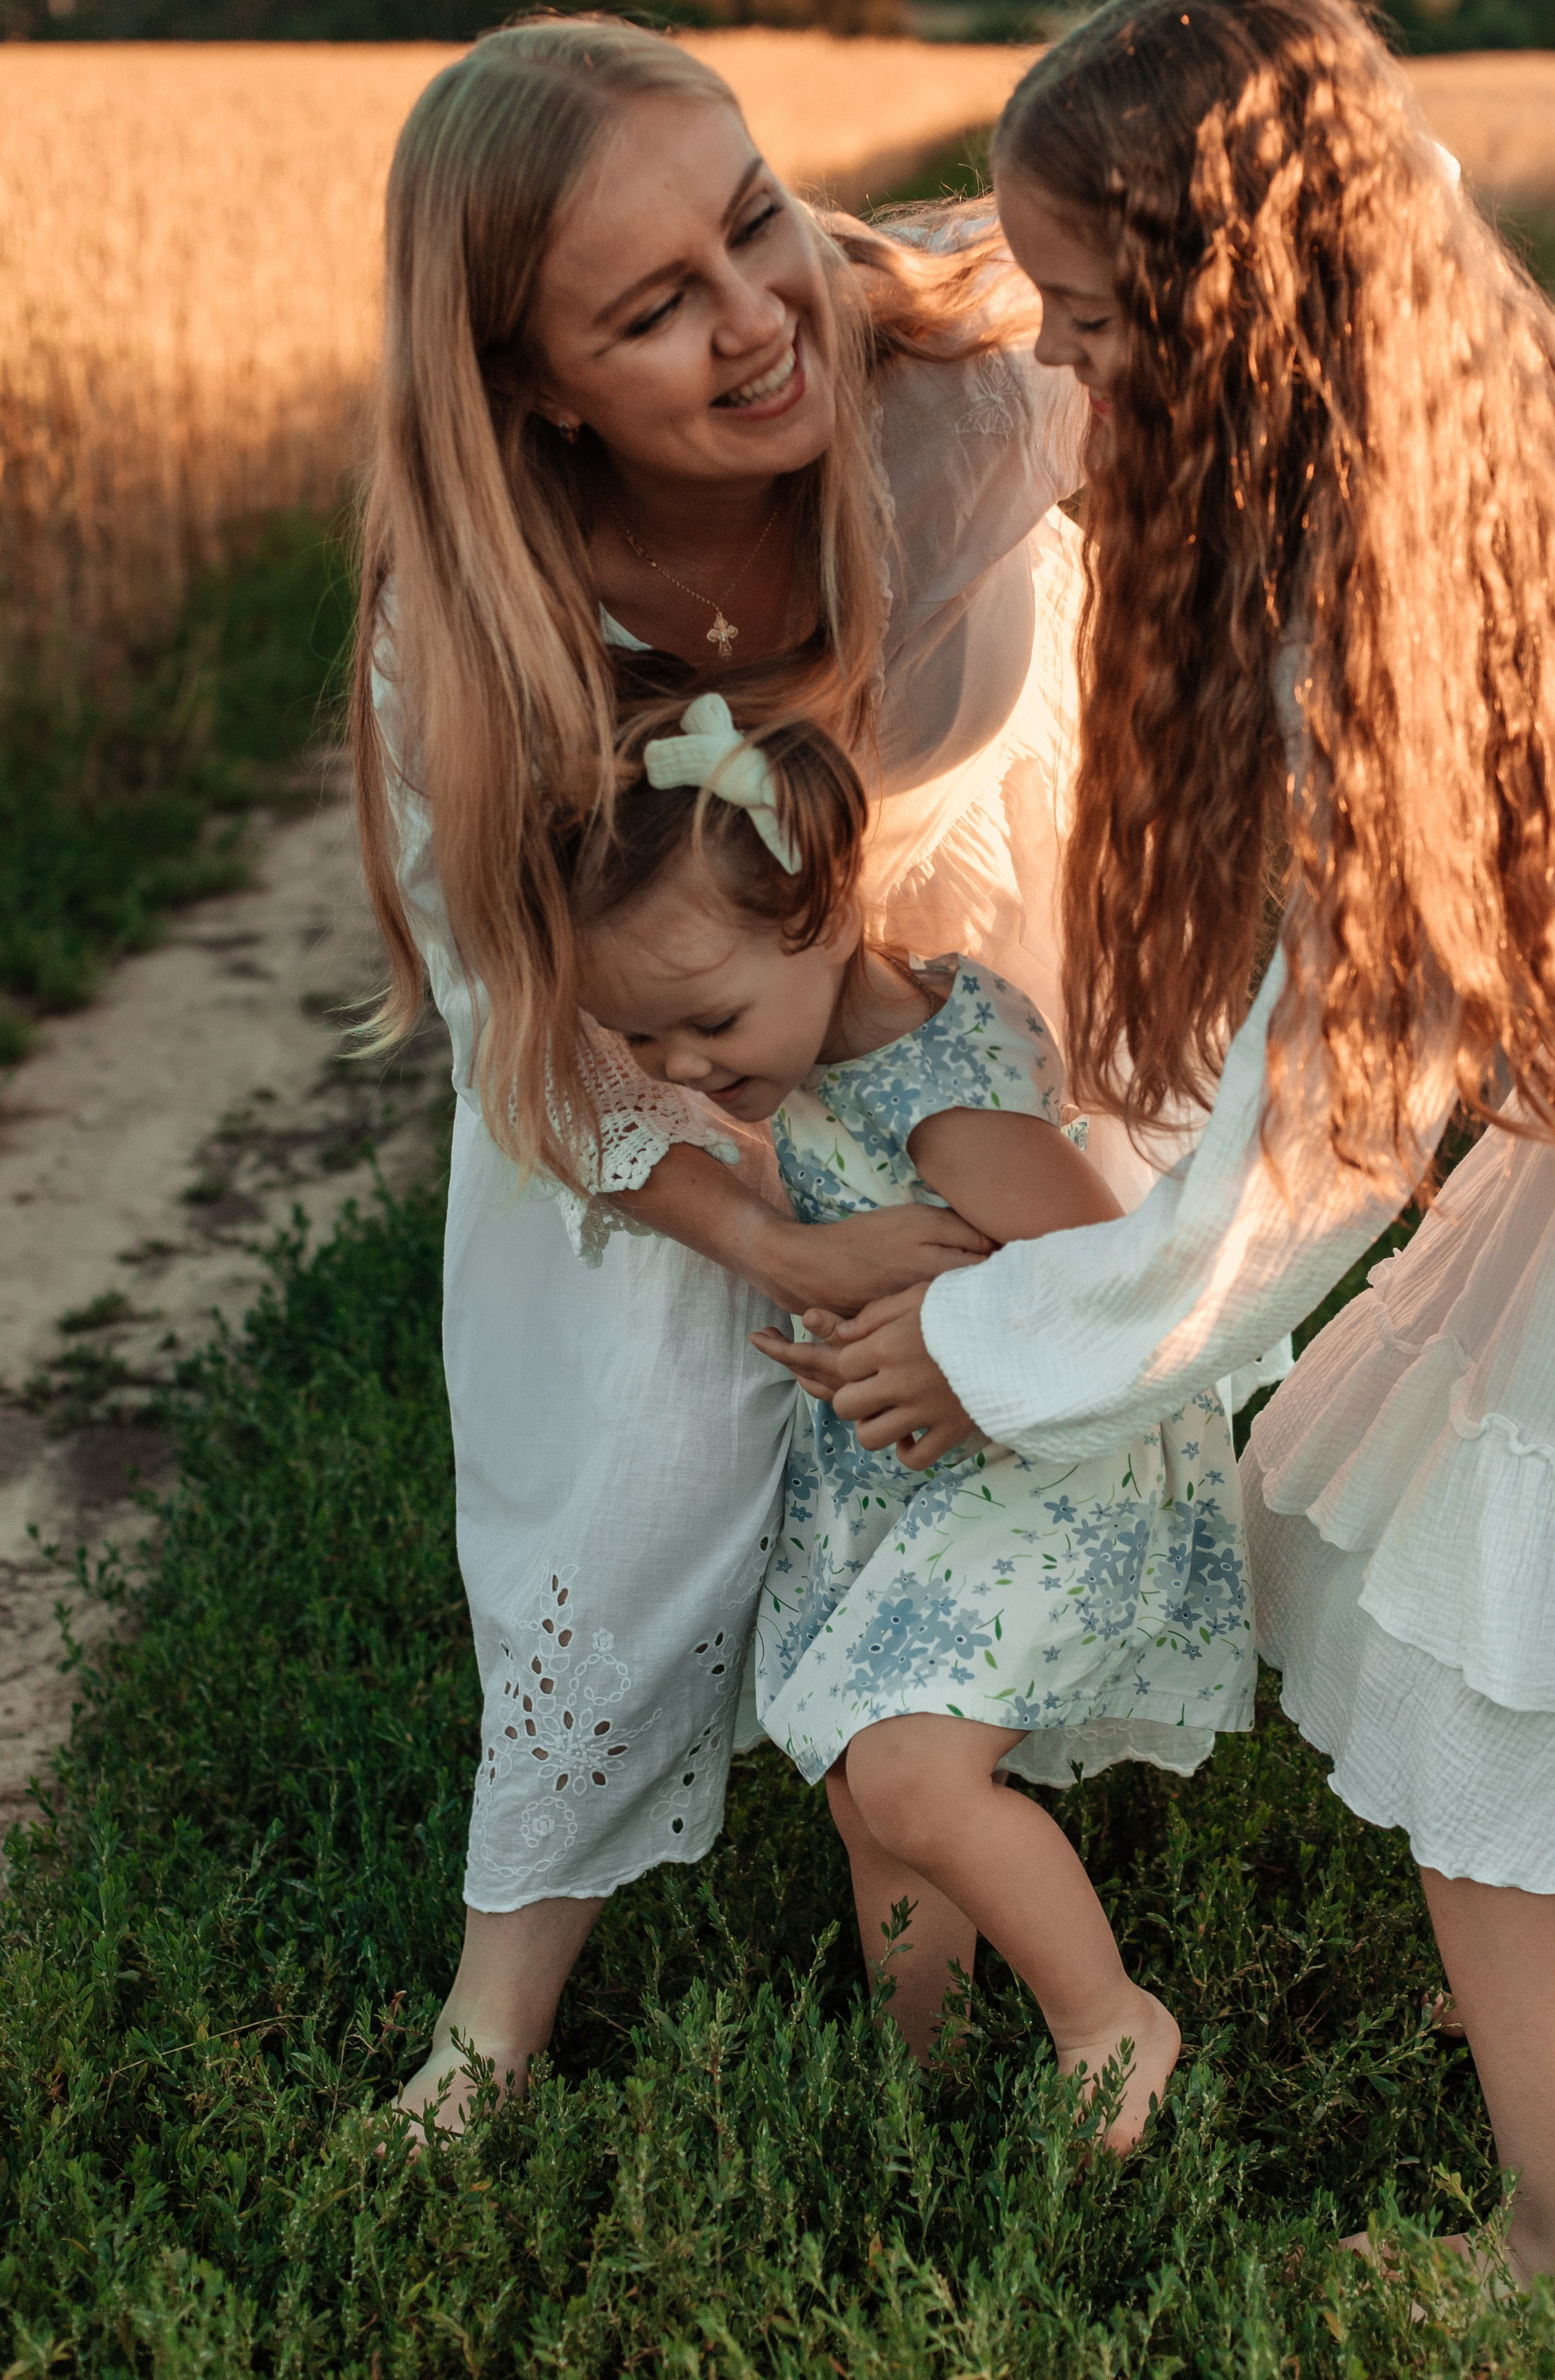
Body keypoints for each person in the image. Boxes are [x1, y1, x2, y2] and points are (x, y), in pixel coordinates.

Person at [798, 0, 1555, 2288]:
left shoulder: (1394, 616)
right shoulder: (1448, 447)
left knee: (1471, 1642)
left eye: (1091, 323)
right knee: (1454, 1567)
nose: (1059, 370)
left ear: (1239, 319)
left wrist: (1012, 1344)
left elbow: (1313, 1142)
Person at [350, 15, 1267, 2132]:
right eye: (652, 310)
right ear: (532, 385)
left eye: (754, 222)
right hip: (653, 1077)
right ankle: (496, 2017)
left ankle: (977, 1784)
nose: (759, 317)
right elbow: (513, 1013)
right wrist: (776, 1237)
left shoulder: (967, 382)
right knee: (638, 1464)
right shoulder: (474, 615)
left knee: (982, 1412)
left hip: (960, 992)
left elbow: (1307, 305)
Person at [570, 688, 1249, 2144]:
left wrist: (949, 1339)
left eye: (708, 1021)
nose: (680, 1070)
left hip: (1037, 1462)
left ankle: (1108, 2022)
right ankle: (917, 2068)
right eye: (640, 1036)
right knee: (861, 1783)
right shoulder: (826, 1050)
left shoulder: (944, 1098)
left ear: (822, 920)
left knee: (909, 1770)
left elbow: (1108, 1290)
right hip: (914, 1468)